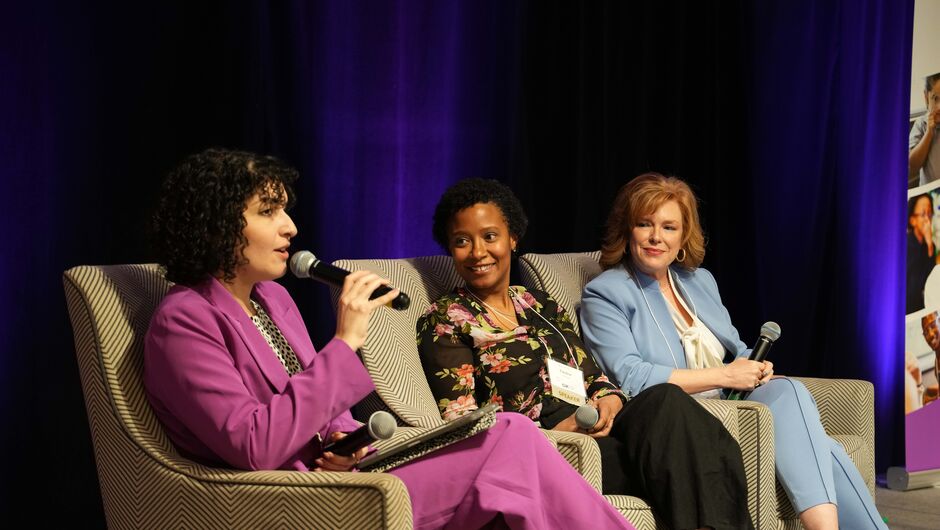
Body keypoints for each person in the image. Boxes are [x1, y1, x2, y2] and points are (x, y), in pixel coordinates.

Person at [143, 149, 635, 530]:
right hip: (292, 501)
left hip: (348, 481)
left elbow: (326, 415)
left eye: (285, 211)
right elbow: (254, 444)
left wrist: (342, 440)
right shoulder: (184, 321)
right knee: (509, 448)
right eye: (268, 211)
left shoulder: (273, 300)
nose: (290, 226)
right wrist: (346, 339)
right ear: (219, 222)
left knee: (511, 433)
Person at [417, 178, 753, 530]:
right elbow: (466, 425)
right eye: (461, 241)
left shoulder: (541, 305)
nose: (477, 252)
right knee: (696, 454)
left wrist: (608, 401)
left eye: (489, 236)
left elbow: (594, 376)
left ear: (512, 238)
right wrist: (553, 431)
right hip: (544, 445)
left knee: (668, 402)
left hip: (598, 423)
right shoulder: (447, 320)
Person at [579, 172, 887, 530]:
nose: (655, 237)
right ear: (627, 230)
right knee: (823, 447)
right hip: (678, 418)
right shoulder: (607, 293)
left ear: (682, 237)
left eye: (668, 227)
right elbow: (631, 377)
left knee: (790, 393)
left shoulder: (699, 281)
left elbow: (737, 348)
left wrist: (757, 370)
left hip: (733, 400)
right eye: (644, 224)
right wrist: (726, 374)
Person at [909, 72, 940, 187]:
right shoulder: (921, 124)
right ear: (926, 97)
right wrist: (929, 133)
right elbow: (912, 167)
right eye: (935, 98)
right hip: (931, 195)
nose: (939, 106)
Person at [908, 193, 937, 313]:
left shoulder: (929, 245)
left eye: (929, 214)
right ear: (913, 220)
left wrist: (930, 246)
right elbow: (914, 286)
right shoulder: (907, 244)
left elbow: (931, 278)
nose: (927, 219)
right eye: (923, 214)